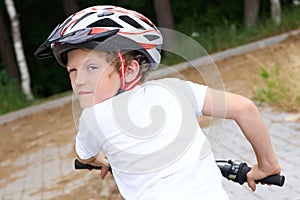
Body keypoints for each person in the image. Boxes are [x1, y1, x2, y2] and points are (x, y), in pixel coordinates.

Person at [34, 5, 281, 200]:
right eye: (73, 70)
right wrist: (267, 165)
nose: (79, 81)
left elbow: (83, 154)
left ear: (129, 70)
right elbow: (245, 108)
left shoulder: (93, 119)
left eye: (92, 67)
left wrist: (102, 159)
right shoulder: (176, 89)